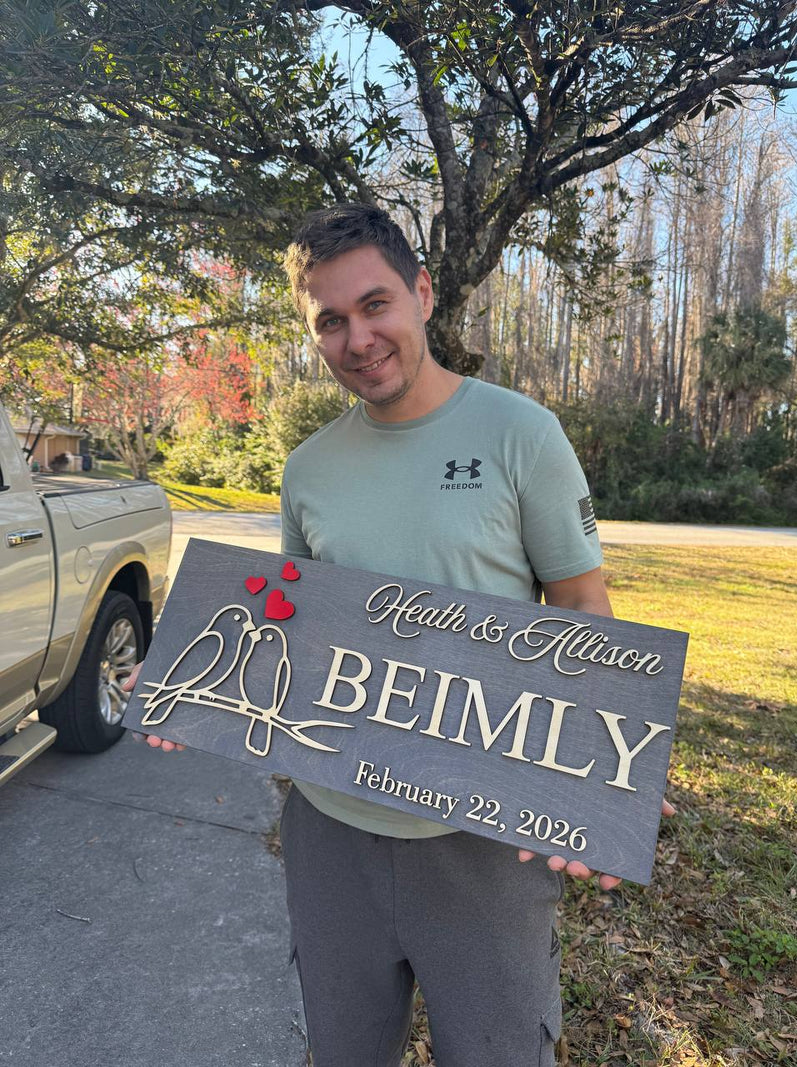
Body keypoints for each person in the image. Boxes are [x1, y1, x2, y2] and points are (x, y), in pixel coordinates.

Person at [127, 203, 673, 1067]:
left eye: (375, 304)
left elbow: (580, 605)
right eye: (330, 321)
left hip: (482, 844)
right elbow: (290, 628)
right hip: (330, 830)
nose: (358, 339)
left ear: (421, 293)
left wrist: (601, 784)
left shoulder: (521, 434)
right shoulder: (308, 468)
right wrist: (184, 688)